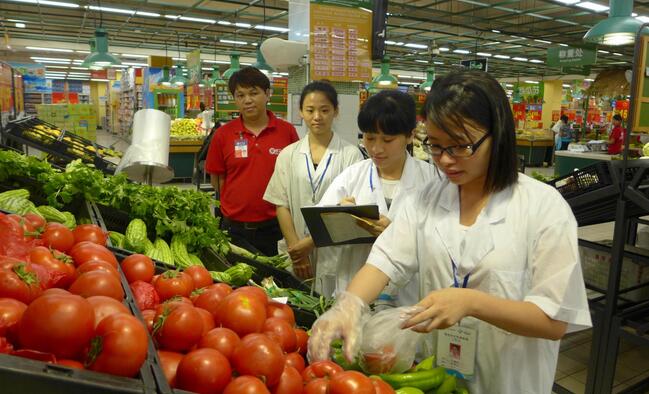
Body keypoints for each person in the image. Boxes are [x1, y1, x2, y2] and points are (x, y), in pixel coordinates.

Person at [308, 70, 591, 394]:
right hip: (437, 377)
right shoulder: (428, 198)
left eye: (459, 147)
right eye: (435, 146)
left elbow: (554, 321)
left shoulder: (543, 208)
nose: (444, 160)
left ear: (497, 134)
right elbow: (384, 259)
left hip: (508, 380)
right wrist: (349, 304)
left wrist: (472, 302)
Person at [314, 90, 438, 299]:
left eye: (387, 140)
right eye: (370, 138)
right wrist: (339, 216)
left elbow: (443, 242)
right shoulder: (353, 176)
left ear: (410, 135)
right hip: (356, 283)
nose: (376, 148)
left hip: (409, 294)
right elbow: (317, 227)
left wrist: (396, 236)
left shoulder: (432, 180)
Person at [263, 81, 363, 280]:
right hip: (296, 249)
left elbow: (351, 212)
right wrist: (297, 251)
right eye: (310, 110)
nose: (317, 117)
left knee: (330, 305)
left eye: (325, 110)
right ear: (300, 112)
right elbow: (281, 204)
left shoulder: (351, 155)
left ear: (336, 111)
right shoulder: (288, 154)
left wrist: (311, 243)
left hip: (335, 251)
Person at [205, 67, 299, 257]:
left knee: (276, 281)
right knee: (236, 282)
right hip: (234, 229)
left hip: (277, 227)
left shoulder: (286, 132)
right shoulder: (223, 135)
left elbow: (295, 176)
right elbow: (217, 180)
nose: (247, 100)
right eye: (240, 95)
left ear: (267, 94)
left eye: (253, 93)